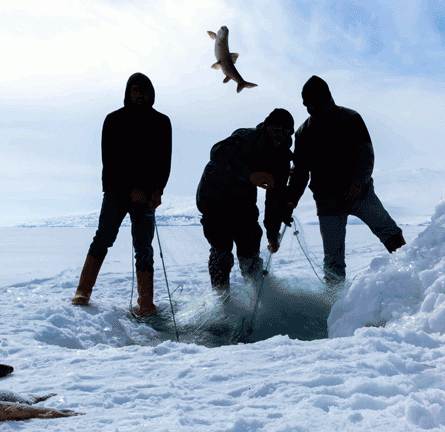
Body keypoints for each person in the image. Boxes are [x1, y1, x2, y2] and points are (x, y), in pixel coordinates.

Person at [286, 75, 405, 287]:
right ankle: (335, 305)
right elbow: (300, 172)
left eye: (315, 102)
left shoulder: (351, 118)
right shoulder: (303, 133)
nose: (311, 108)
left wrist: (358, 183)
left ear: (327, 97)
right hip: (327, 202)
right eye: (307, 105)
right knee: (333, 260)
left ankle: (411, 274)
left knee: (390, 233)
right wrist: (291, 199)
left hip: (359, 194)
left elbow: (366, 155)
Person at [71, 72, 172, 317]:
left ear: (151, 94)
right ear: (128, 93)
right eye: (135, 90)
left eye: (144, 90)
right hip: (116, 192)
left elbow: (164, 161)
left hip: (147, 194)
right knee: (103, 238)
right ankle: (83, 291)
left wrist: (157, 190)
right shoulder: (114, 119)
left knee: (144, 247)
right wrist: (130, 190)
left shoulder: (161, 122)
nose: (139, 94)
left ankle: (145, 303)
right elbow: (110, 160)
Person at [196, 109, 295, 299]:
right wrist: (249, 174)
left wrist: (273, 234)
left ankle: (259, 297)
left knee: (250, 246)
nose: (281, 135)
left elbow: (275, 198)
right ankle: (221, 302)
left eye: (287, 132)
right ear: (267, 126)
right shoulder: (246, 137)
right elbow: (217, 153)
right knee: (222, 252)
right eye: (277, 129)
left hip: (243, 203)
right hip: (214, 197)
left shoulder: (281, 159)